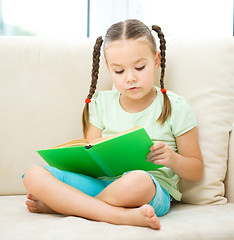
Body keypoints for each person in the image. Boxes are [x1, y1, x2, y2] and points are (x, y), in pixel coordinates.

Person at [23, 19, 204, 230]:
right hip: (101, 183)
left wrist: (172, 159)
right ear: (109, 69)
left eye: (139, 67)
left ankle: (69, 206)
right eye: (119, 71)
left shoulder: (175, 106)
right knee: (33, 174)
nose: (130, 78)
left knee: (137, 180)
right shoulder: (101, 103)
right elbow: (90, 154)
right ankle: (115, 213)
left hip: (150, 189)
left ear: (156, 61)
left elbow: (196, 170)